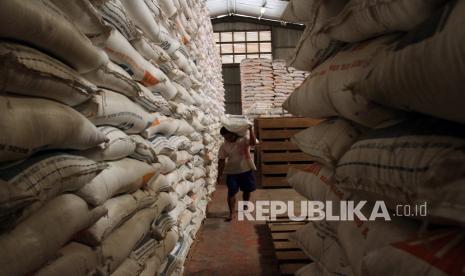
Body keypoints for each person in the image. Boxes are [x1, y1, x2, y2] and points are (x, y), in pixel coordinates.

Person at [217, 124, 257, 221]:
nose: (229, 139)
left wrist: (251, 129)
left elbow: (253, 143)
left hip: (245, 169)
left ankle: (245, 205)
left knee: (247, 190)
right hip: (232, 172)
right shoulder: (224, 146)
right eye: (226, 138)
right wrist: (220, 174)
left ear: (234, 133)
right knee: (231, 192)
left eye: (230, 136)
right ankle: (231, 213)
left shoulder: (243, 140)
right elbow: (221, 160)